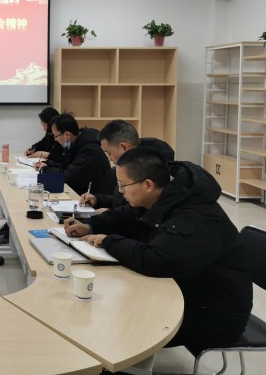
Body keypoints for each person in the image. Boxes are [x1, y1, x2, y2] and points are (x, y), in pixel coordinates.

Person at [64, 147, 252, 356]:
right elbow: (126, 216)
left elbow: (155, 259)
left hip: (212, 315)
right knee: (110, 305)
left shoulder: (194, 216)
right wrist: (90, 226)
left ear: (148, 185)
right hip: (187, 291)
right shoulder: (163, 197)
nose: (120, 191)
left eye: (123, 185)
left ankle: (118, 363)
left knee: (116, 321)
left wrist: (109, 241)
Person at [81, 119, 175, 211]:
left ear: (124, 147)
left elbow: (136, 211)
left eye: (109, 153)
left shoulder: (148, 168)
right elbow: (123, 200)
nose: (109, 158)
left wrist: (111, 214)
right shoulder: (130, 163)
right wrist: (98, 200)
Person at [36, 113, 115, 195]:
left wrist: (46, 169)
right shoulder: (76, 144)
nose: (55, 140)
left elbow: (69, 177)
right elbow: (67, 166)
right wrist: (48, 165)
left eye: (56, 136)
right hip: (83, 193)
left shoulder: (89, 151)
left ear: (67, 135)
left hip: (96, 197)